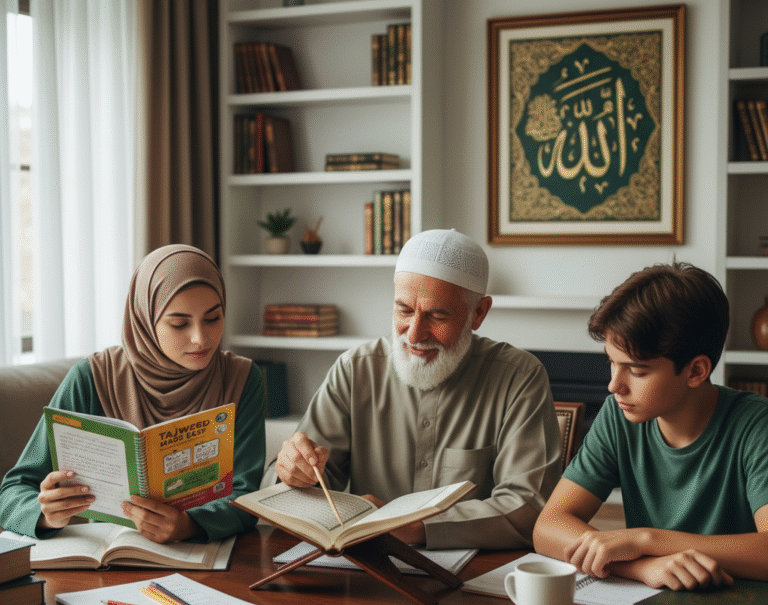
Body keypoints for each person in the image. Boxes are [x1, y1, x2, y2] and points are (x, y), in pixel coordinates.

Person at [264, 229, 562, 549]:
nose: (415, 333)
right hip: (362, 568)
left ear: (478, 313)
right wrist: (291, 473)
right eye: (405, 310)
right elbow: (299, 486)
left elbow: (529, 505)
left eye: (437, 315)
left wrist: (422, 527)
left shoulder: (519, 378)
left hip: (476, 575)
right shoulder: (355, 370)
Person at [0, 244, 265, 543]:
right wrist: (45, 513)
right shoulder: (91, 378)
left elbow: (248, 495)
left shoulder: (242, 379)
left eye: (213, 318)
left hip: (204, 557)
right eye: (180, 323)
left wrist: (189, 525)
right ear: (145, 319)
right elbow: (12, 491)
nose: (200, 338)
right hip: (107, 556)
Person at [533, 262, 768, 590]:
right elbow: (548, 527)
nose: (614, 386)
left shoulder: (756, 426)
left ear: (696, 371)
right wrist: (643, 567)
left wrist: (646, 539)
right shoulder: (619, 418)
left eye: (637, 371)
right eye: (611, 363)